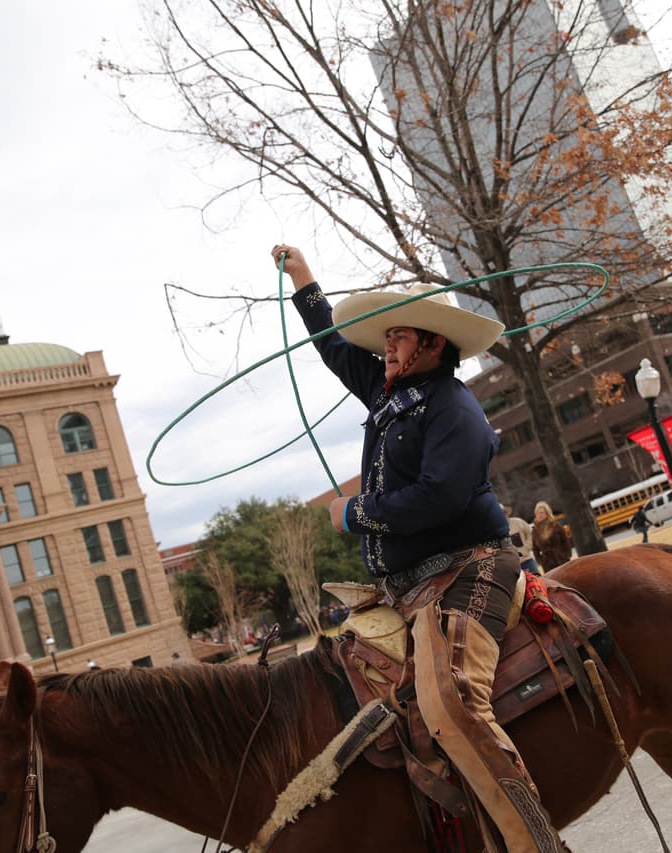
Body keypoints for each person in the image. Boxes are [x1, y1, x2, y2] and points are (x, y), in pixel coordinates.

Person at [274, 244, 565, 851]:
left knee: (454, 704)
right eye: (386, 338)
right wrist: (304, 280)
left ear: (432, 343)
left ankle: (535, 844)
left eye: (399, 336)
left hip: (472, 566)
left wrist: (354, 513)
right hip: (406, 583)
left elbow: (440, 498)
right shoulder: (388, 394)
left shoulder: (455, 408)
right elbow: (333, 346)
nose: (387, 346)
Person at [532, 501, 573, 572]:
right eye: (537, 513)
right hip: (548, 564)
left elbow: (565, 541)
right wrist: (541, 561)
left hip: (562, 560)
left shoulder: (556, 525)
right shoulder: (535, 531)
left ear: (547, 513)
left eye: (541, 512)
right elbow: (535, 549)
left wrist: (567, 555)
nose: (539, 515)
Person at [503, 505, 540, 574]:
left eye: (503, 514)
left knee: (538, 579)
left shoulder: (518, 522)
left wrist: (527, 547)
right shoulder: (496, 532)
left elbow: (530, 532)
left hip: (527, 561)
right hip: (513, 567)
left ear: (506, 514)